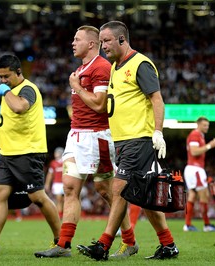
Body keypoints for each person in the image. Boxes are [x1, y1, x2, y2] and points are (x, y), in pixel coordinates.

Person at [76, 21, 179, 261]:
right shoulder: (115, 67)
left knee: (119, 189)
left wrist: (158, 131)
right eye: (101, 42)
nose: (103, 47)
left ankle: (103, 244)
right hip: (122, 141)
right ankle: (168, 245)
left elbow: (157, 99)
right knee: (143, 197)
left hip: (138, 139)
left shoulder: (140, 64)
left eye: (107, 41)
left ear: (122, 39)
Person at [34, 25, 131, 259]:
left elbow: (99, 104)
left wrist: (76, 87)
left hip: (97, 137)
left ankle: (129, 241)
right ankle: (64, 244)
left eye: (77, 39)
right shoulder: (81, 68)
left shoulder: (101, 67)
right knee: (69, 187)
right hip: (76, 136)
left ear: (91, 43)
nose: (72, 43)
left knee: (106, 191)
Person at [0, 54, 61, 253]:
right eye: (0, 77)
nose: (2, 81)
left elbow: (19, 107)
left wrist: (6, 91)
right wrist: (2, 152)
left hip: (28, 152)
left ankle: (62, 242)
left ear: (19, 72)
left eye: (6, 76)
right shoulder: (10, 91)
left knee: (37, 197)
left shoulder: (27, 89)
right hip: (8, 153)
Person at [183, 116, 215, 232]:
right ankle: (207, 225)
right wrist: (210, 145)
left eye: (207, 125)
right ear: (198, 124)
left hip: (193, 169)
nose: (207, 127)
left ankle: (188, 225)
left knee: (192, 196)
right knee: (204, 196)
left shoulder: (200, 136)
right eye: (204, 125)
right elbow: (194, 151)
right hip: (195, 169)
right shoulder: (195, 135)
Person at [44, 147, 65, 216]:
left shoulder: (65, 162)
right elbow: (50, 174)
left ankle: (66, 214)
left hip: (65, 183)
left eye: (57, 153)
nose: (55, 154)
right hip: (57, 184)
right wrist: (47, 184)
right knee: (59, 200)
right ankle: (60, 215)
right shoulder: (53, 163)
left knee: (65, 200)